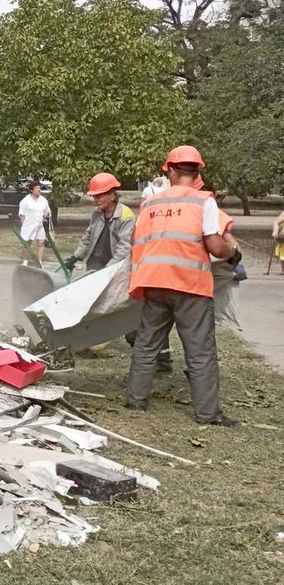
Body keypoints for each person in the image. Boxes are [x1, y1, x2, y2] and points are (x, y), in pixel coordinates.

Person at [126, 145, 240, 427]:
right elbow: (214, 244)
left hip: (153, 282)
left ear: (171, 171)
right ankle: (207, 414)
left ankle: (135, 401)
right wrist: (231, 254)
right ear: (197, 172)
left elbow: (135, 241)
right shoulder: (204, 202)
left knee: (146, 344)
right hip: (190, 285)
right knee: (200, 351)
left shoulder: (150, 204)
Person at [64, 173, 136, 273]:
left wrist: (108, 270)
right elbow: (88, 237)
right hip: (94, 265)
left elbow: (124, 248)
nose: (95, 200)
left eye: (99, 197)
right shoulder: (97, 213)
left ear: (112, 196)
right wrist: (75, 257)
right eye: (94, 197)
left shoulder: (126, 217)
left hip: (115, 269)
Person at [17, 181, 52, 266]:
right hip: (29, 225)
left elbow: (47, 211)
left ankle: (39, 262)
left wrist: (46, 214)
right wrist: (24, 225)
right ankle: (25, 261)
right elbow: (21, 214)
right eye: (37, 188)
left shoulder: (43, 200)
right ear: (32, 190)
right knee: (27, 243)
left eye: (39, 188)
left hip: (40, 225)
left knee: (41, 243)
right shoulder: (25, 201)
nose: (39, 190)